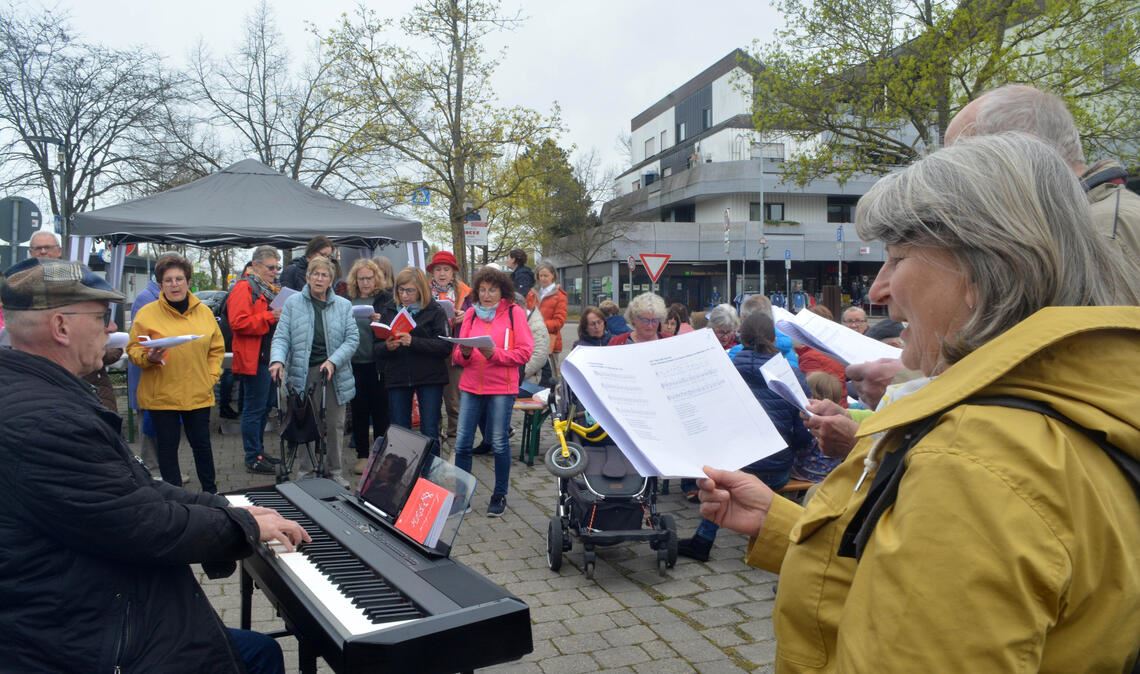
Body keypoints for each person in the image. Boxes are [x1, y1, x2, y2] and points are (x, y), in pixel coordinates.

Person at [694, 133, 1140, 671]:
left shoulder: (971, 464)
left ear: (983, 268)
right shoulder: (1086, 403)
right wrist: (782, 527)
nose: (878, 290)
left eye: (898, 258)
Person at [0, 257, 307, 674]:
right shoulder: (45, 420)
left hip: (87, 612)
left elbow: (134, 488)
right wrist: (245, 530)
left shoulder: (40, 393)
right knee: (251, 657)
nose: (111, 329)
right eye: (101, 317)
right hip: (84, 638)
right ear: (61, 327)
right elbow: (144, 525)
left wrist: (228, 511)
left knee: (257, 652)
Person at [945, 83, 1140, 268]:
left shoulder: (1097, 236)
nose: (960, 189)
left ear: (1020, 152)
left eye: (965, 164)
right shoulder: (1080, 223)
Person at [677, 309, 813, 562]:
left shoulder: (723, 368)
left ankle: (702, 540)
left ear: (742, 337)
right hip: (776, 468)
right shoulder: (790, 374)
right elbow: (803, 429)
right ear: (773, 338)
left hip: (735, 463)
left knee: (724, 478)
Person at [127, 254, 225, 493]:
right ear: (160, 284)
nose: (174, 284)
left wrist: (211, 377)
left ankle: (212, 494)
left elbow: (216, 349)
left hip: (198, 393)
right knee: (167, 451)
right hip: (163, 395)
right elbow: (133, 349)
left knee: (202, 447)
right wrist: (148, 357)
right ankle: (175, 499)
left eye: (179, 279)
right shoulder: (147, 313)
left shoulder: (204, 312)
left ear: (188, 281)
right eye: (168, 280)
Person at [452, 267, 534, 517]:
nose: (486, 295)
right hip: (471, 386)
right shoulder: (469, 315)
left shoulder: (514, 313)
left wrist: (495, 354)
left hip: (501, 387)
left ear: (502, 291)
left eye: (492, 290)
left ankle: (499, 495)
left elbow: (525, 352)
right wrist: (464, 353)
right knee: (463, 443)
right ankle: (461, 497)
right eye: (483, 290)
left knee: (499, 443)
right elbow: (457, 355)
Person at [269, 255, 357, 486]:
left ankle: (334, 471)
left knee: (335, 424)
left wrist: (334, 361)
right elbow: (281, 336)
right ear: (307, 277)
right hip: (302, 371)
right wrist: (277, 360)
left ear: (331, 280)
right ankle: (306, 473)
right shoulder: (293, 303)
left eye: (324, 275)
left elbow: (352, 339)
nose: (319, 278)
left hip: (333, 373)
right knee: (305, 422)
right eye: (315, 274)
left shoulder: (344, 305)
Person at [374, 266, 451, 457]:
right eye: (401, 290)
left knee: (429, 428)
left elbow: (445, 347)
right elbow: (375, 347)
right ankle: (403, 473)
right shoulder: (389, 309)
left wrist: (413, 342)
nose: (405, 295)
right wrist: (387, 347)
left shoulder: (435, 310)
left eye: (410, 290)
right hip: (398, 376)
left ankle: (430, 474)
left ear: (421, 290)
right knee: (400, 429)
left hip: (429, 377)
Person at [228, 245, 283, 475]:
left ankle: (258, 451)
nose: (275, 271)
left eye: (277, 267)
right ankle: (253, 456)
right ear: (256, 265)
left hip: (267, 358)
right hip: (255, 359)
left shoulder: (266, 288)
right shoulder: (244, 288)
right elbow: (237, 323)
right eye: (271, 267)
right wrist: (270, 316)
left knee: (264, 407)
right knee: (254, 409)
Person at [347, 257, 393, 474]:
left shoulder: (386, 300)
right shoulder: (348, 300)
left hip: (378, 364)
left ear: (377, 278)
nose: (365, 282)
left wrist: (380, 320)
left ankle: (381, 454)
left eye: (369, 278)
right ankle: (363, 455)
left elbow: (392, 329)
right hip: (354, 363)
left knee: (381, 410)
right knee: (359, 411)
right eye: (361, 278)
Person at [427, 250, 471, 447]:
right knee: (432, 396)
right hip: (431, 349)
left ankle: (456, 436)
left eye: (446, 269)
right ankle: (434, 433)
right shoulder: (424, 290)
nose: (442, 273)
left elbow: (477, 314)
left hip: (454, 348)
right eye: (438, 269)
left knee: (454, 397)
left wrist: (466, 316)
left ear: (453, 272)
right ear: (432, 272)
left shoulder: (465, 292)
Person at [789, 372, 846, 483]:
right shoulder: (840, 419)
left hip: (809, 471)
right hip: (831, 472)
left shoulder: (811, 420)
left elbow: (802, 446)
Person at [794, 305, 847, 403]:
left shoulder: (811, 357)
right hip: (839, 408)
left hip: (825, 412)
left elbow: (811, 395)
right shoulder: (830, 350)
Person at [526, 261, 568, 380]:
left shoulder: (560, 296)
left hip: (550, 340)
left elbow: (559, 321)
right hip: (531, 339)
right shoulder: (532, 293)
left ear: (553, 276)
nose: (543, 278)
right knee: (532, 375)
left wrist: (538, 326)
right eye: (541, 275)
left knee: (550, 377)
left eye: (546, 275)